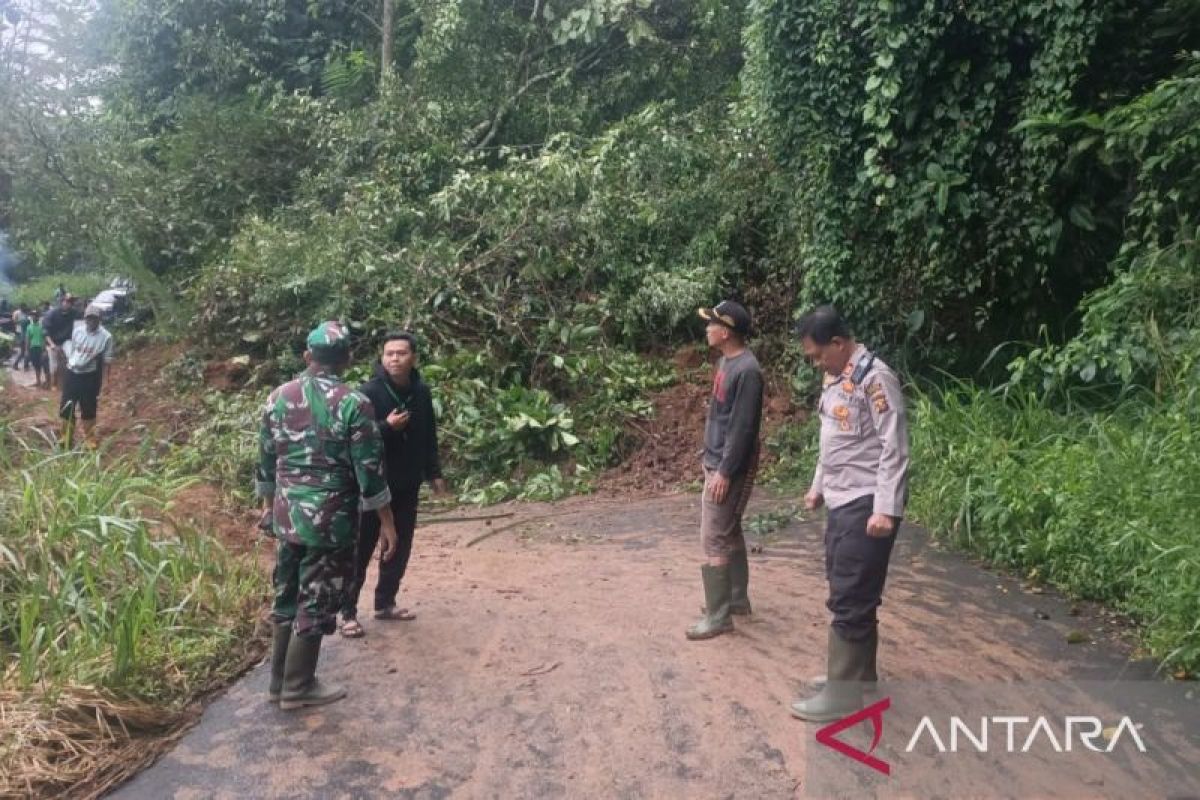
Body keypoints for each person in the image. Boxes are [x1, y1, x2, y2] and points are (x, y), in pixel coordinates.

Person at [256, 321, 399, 709]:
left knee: (286, 593)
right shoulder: (354, 403)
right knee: (316, 596)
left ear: (307, 357)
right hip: (330, 518)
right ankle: (298, 686)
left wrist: (268, 508)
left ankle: (277, 683)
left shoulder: (277, 397)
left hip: (287, 515)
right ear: (348, 359)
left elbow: (267, 459)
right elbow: (368, 470)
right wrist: (386, 521)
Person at [789, 306, 909, 722]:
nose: (815, 364)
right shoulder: (837, 378)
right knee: (850, 586)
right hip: (841, 500)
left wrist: (885, 510)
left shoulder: (876, 380)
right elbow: (834, 438)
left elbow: (894, 448)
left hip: (866, 503)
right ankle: (857, 677)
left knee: (850, 594)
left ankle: (842, 696)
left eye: (818, 355)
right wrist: (817, 485)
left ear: (838, 344)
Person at [339, 331, 449, 637]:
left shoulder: (421, 392)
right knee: (361, 548)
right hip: (372, 486)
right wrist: (386, 427)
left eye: (401, 353)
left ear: (413, 357)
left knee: (399, 545)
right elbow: (354, 439)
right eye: (389, 354)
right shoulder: (367, 394)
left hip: (407, 483)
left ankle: (385, 602)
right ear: (381, 357)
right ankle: (347, 611)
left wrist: (434, 473)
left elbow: (429, 435)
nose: (395, 359)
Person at [686, 300, 764, 641]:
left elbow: (743, 429)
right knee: (728, 529)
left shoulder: (748, 371)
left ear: (726, 332)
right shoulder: (725, 361)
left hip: (728, 466)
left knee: (714, 536)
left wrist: (725, 471)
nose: (706, 329)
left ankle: (719, 617)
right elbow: (720, 416)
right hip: (716, 458)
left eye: (711, 324)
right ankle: (735, 599)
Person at [58, 304, 114, 448]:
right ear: (85, 318)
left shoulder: (106, 337)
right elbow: (74, 351)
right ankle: (66, 436)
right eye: (88, 318)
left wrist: (107, 382)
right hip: (72, 373)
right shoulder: (77, 331)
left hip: (90, 376)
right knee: (66, 405)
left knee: (88, 406)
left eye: (94, 319)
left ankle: (90, 439)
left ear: (99, 319)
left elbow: (107, 361)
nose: (91, 321)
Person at [43, 294, 79, 390]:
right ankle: (54, 383)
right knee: (53, 364)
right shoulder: (51, 314)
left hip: (65, 340)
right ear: (61, 302)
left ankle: (72, 381)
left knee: (72, 356)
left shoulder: (73, 312)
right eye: (66, 301)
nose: (68, 304)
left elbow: (83, 319)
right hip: (52, 341)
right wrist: (52, 345)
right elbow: (45, 332)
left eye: (70, 302)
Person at [25, 310, 46, 388]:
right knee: (36, 365)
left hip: (40, 348)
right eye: (32, 315)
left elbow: (44, 338)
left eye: (35, 315)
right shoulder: (29, 327)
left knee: (42, 365)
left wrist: (44, 350)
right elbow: (27, 339)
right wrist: (27, 350)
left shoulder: (41, 326)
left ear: (38, 317)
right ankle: (38, 381)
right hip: (32, 348)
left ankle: (42, 381)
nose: (34, 317)